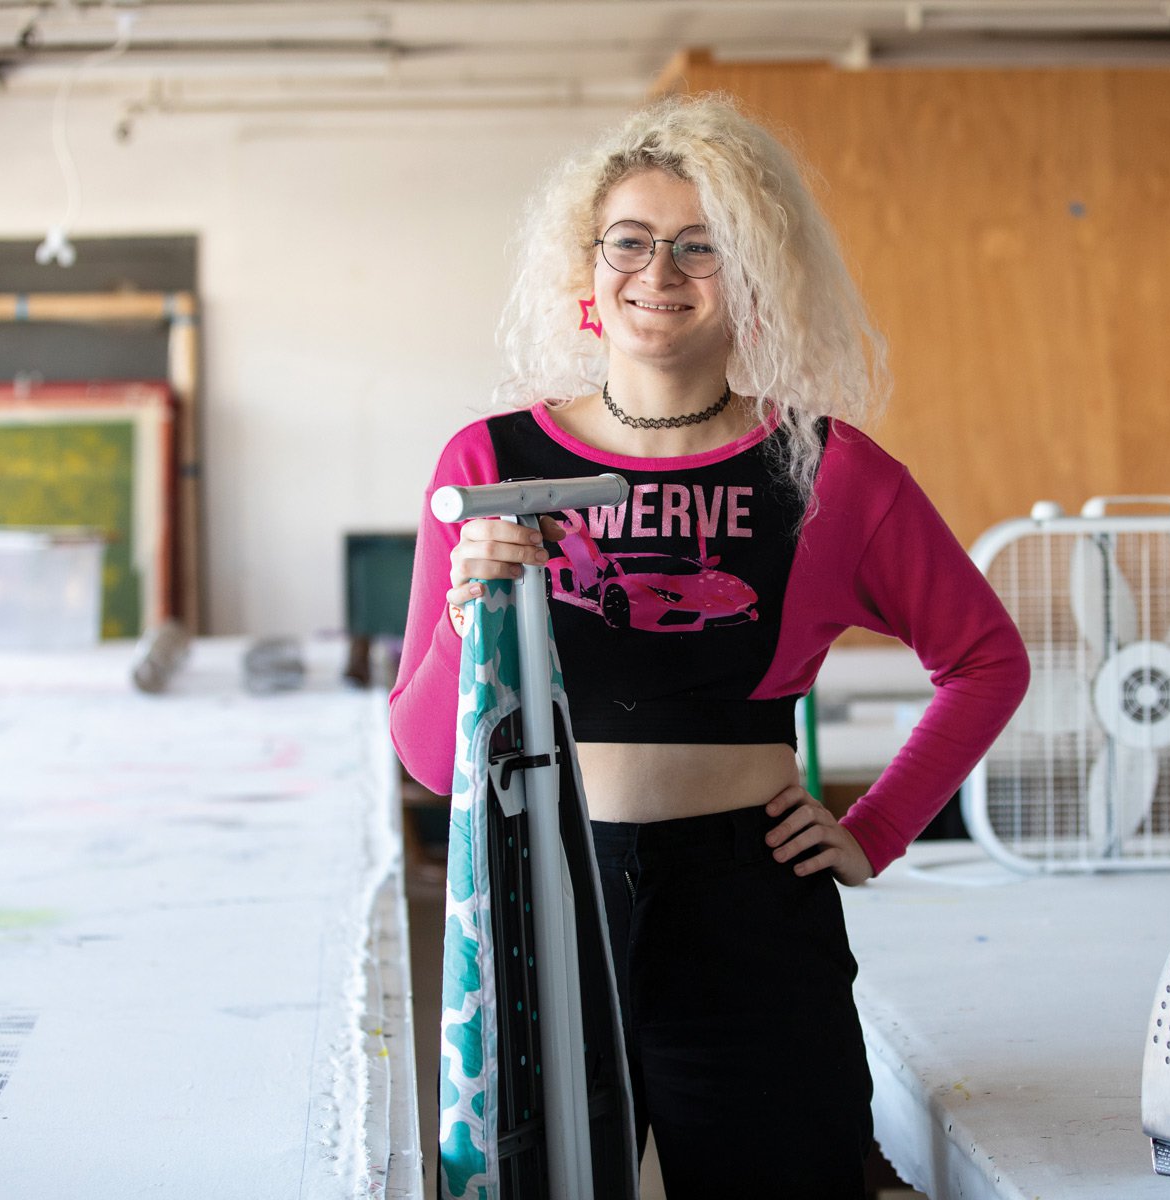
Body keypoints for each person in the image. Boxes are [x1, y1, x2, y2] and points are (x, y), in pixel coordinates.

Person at [390, 92, 1029, 1199]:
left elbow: (986, 658)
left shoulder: (828, 470)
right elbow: (432, 762)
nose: (660, 272)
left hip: (748, 901)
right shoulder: (485, 459)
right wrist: (462, 624)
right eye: (630, 242)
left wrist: (875, 831)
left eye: (703, 246)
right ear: (586, 274)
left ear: (754, 278)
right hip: (542, 886)